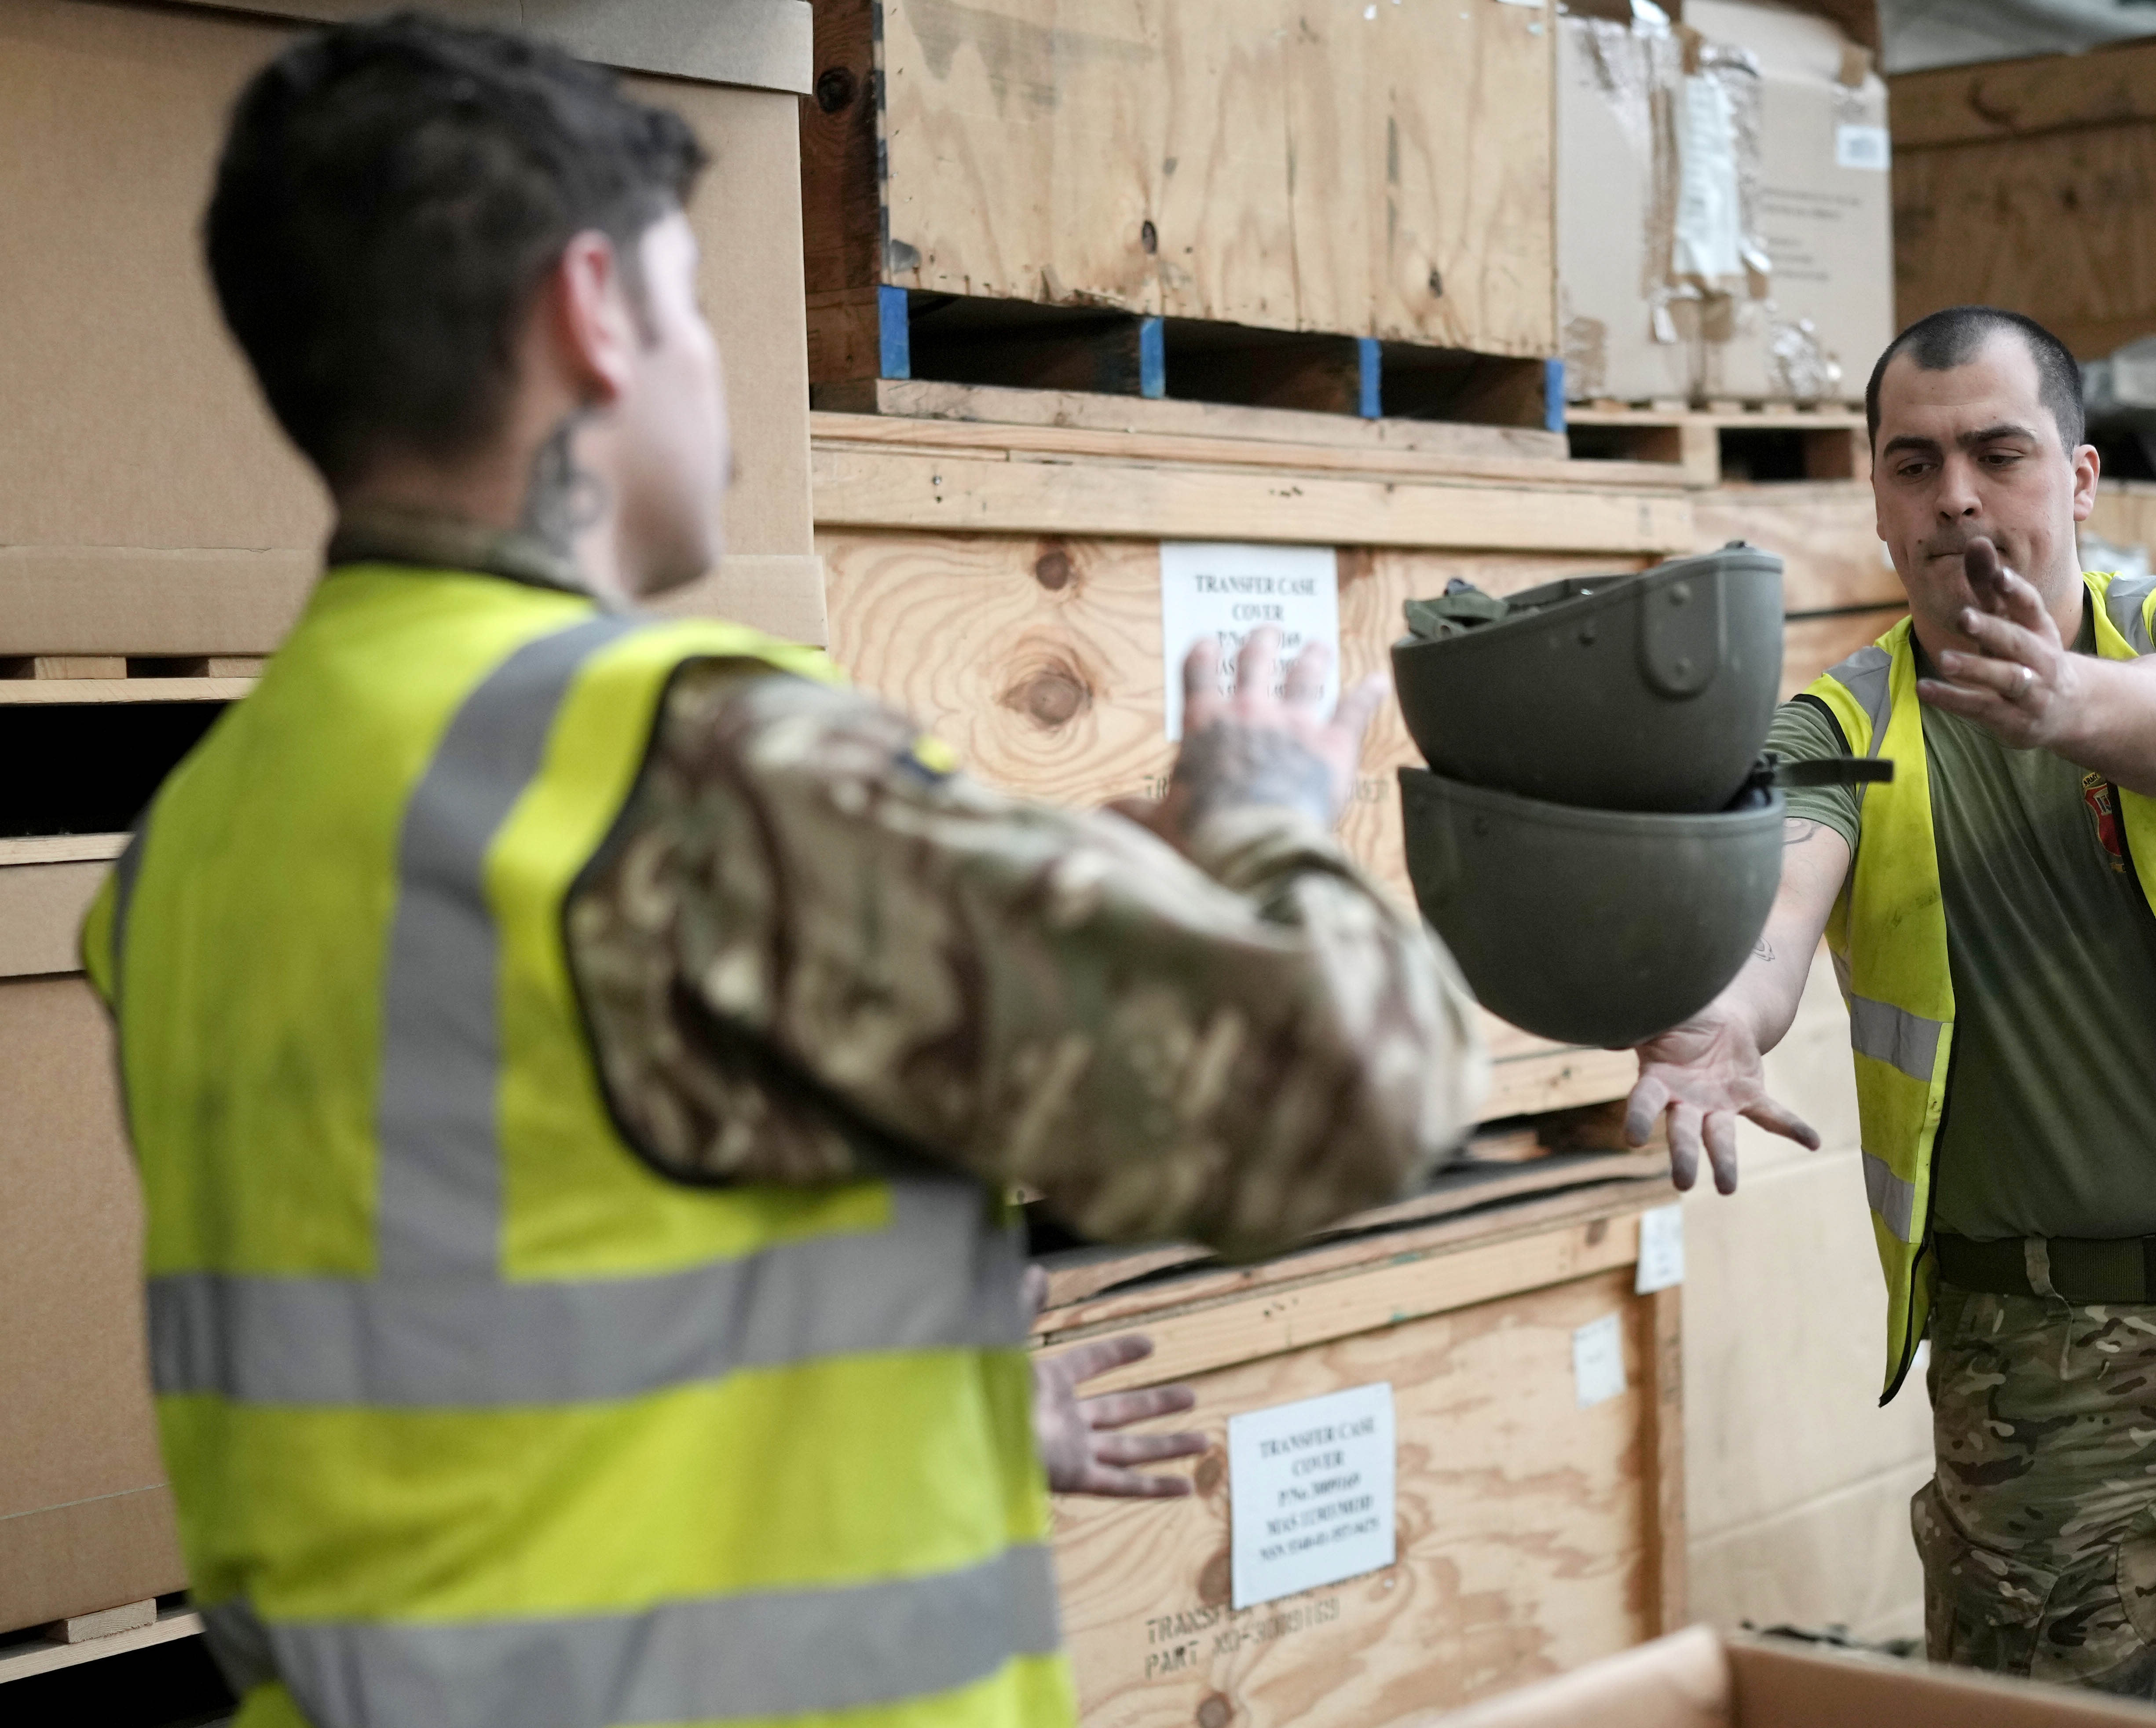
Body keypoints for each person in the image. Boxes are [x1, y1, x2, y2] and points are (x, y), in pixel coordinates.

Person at [81, 18, 1490, 1728]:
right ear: (589, 312)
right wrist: (1265, 816)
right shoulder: (688, 769)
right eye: (689, 308)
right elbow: (1354, 1084)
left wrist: (934, 1399)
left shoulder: (201, 836)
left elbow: (502, 1291)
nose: (717, 380)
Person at [1624, 305, 2156, 1698]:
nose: (1956, 493)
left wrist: (2062, 701)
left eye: (1999, 452)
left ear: (2078, 479)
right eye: (1915, 463)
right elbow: (1775, 910)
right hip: (2043, 1362)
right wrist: (1719, 1012)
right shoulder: (1840, 733)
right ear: (1881, 506)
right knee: (2040, 1714)